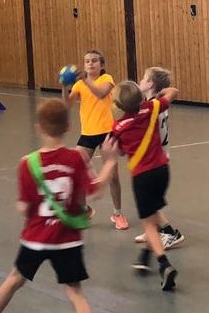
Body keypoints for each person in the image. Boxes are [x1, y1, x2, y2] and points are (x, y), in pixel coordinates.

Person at [0, 99, 120, 313]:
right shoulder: (77, 158)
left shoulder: (28, 163)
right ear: (68, 126)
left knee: (15, 279)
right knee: (75, 291)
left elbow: (24, 207)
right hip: (67, 239)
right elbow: (96, 190)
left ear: (39, 127)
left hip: (36, 238)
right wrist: (110, 161)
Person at [111, 80, 180, 290]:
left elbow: (119, 151)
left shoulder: (118, 127)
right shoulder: (151, 108)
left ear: (119, 106)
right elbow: (173, 92)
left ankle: (164, 264)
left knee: (149, 224)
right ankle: (145, 255)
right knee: (153, 213)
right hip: (162, 171)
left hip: (142, 176)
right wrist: (156, 94)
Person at [63, 50, 127, 230]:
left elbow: (101, 93)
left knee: (113, 176)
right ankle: (84, 210)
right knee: (76, 172)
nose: (90, 64)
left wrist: (85, 80)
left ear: (101, 65)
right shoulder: (79, 84)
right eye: (87, 61)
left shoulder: (106, 79)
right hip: (88, 134)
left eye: (94, 61)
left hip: (107, 132)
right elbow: (66, 105)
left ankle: (118, 213)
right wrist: (64, 87)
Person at [133, 67, 186, 249]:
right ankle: (153, 229)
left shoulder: (149, 109)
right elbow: (173, 91)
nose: (140, 81)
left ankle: (171, 232)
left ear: (150, 84)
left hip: (154, 160)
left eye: (144, 78)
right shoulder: (159, 103)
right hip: (161, 155)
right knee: (150, 199)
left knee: (148, 202)